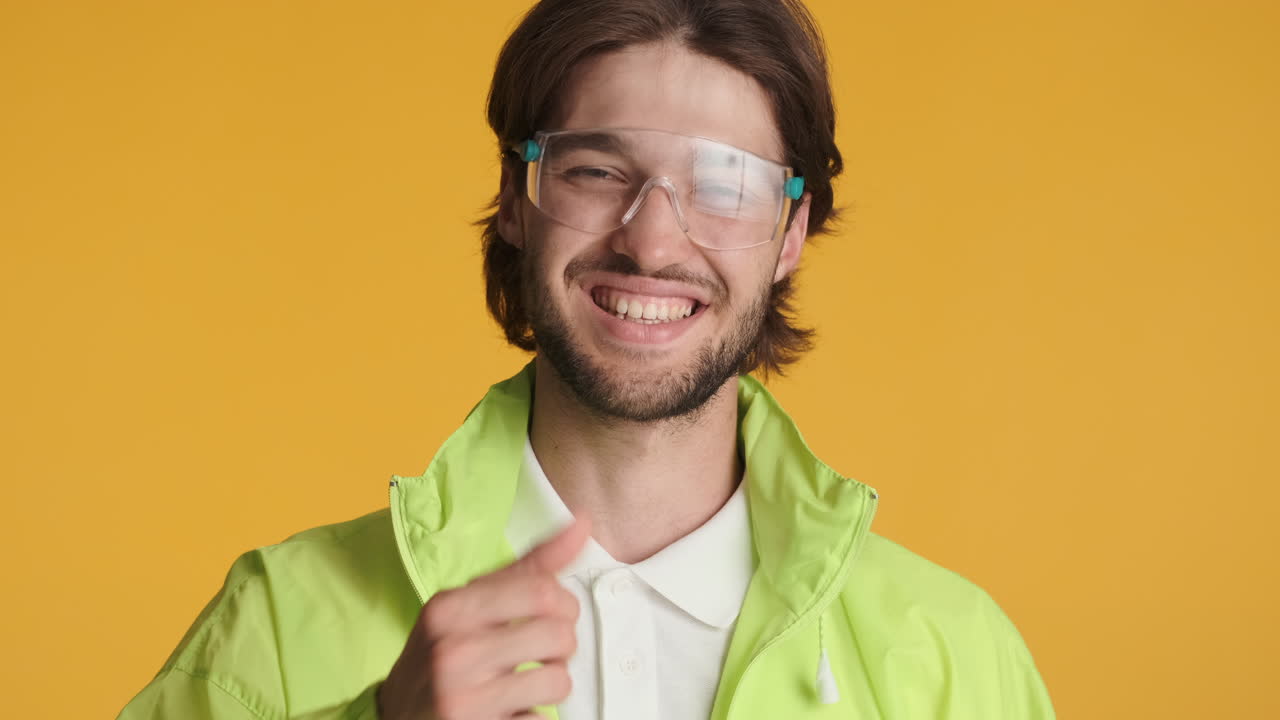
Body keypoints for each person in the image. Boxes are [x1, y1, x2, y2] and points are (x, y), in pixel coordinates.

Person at [119, 0, 1055, 718]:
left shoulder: (958, 661)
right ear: (516, 198)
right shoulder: (276, 624)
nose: (651, 241)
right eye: (598, 171)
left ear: (791, 234)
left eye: (724, 183)